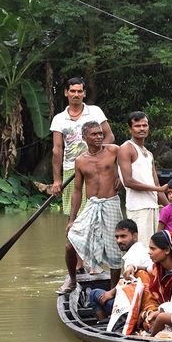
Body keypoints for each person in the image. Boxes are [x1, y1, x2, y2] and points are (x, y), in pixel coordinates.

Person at [58, 121, 123, 294]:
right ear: (84, 137)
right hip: (92, 205)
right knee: (70, 243)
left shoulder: (114, 150)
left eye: (100, 133)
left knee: (114, 249)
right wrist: (71, 220)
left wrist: (122, 179)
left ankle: (113, 291)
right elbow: (78, 191)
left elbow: (130, 164)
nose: (99, 137)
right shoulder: (80, 161)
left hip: (111, 203)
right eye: (94, 134)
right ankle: (72, 280)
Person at [49, 77, 113, 215]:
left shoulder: (95, 111)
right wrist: (57, 180)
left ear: (84, 93)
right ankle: (73, 235)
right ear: (66, 93)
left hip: (95, 167)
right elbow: (57, 149)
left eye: (79, 91)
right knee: (74, 212)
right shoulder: (59, 119)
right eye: (72, 91)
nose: (76, 94)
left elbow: (109, 136)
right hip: (70, 169)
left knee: (96, 209)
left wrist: (98, 156)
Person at [85, 218, 154, 320]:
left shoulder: (133, 256)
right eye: (117, 237)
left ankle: (106, 324)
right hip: (145, 301)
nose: (119, 241)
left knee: (93, 293)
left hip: (134, 306)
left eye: (123, 236)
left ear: (134, 236)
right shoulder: (143, 250)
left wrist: (111, 293)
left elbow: (130, 285)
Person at [117, 111, 167, 241]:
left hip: (153, 207)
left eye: (144, 125)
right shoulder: (126, 148)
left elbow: (157, 185)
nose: (142, 129)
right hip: (138, 208)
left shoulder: (149, 154)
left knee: (153, 250)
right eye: (137, 126)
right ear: (130, 129)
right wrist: (157, 189)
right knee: (140, 250)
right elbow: (128, 181)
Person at [137, 231, 172, 333]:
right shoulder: (159, 267)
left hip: (168, 314)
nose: (149, 252)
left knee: (148, 322)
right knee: (140, 273)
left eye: (153, 248)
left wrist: (149, 314)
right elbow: (146, 268)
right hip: (158, 307)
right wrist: (132, 266)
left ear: (167, 250)